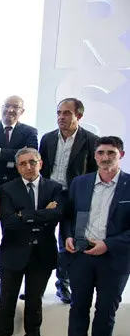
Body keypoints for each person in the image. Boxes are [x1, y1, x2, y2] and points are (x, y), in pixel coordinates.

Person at [59, 136, 130, 336]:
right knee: (78, 306)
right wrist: (67, 236)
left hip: (114, 258)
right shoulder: (81, 183)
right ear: (95, 155)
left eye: (111, 152)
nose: (105, 157)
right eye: (100, 153)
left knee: (106, 310)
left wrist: (108, 244)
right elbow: (67, 216)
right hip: (82, 255)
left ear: (121, 154)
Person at [0, 147, 63, 336]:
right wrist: (43, 214)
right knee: (7, 301)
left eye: (32, 162)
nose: (28, 167)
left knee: (35, 302)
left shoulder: (55, 187)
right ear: (18, 166)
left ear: (40, 163)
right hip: (13, 253)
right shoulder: (6, 189)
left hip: (42, 254)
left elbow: (57, 214)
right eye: (23, 163)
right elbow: (9, 222)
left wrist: (24, 215)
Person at [39, 98, 99, 304]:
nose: (61, 117)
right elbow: (43, 170)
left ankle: (62, 284)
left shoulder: (91, 141)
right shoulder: (47, 139)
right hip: (50, 195)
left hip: (74, 197)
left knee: (69, 240)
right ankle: (37, 285)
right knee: (42, 240)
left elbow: (93, 173)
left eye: (66, 113)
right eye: (59, 113)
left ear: (78, 116)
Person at [0, 96, 39, 191]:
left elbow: (30, 155)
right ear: (2, 108)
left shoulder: (30, 132)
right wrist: (19, 152)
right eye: (7, 106)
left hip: (18, 183)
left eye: (16, 107)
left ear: (22, 111)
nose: (10, 110)